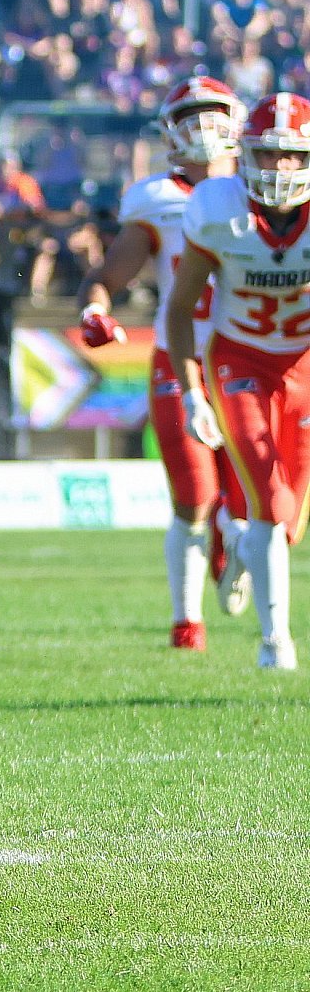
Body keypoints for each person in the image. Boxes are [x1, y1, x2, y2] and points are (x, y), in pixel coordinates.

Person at [78, 77, 250, 651]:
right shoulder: (155, 198)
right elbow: (108, 275)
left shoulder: (262, 188)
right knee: (194, 494)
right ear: (169, 131)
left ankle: (232, 536)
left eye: (213, 112)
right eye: (190, 115)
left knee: (253, 502)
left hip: (251, 357)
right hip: (181, 357)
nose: (203, 126)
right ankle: (186, 622)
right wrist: (96, 310)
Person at [167, 93, 310, 671]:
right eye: (268, 153)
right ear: (245, 154)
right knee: (270, 500)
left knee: (289, 520)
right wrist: (191, 392)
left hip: (304, 364)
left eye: (292, 155)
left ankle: (243, 547)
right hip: (241, 361)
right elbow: (180, 308)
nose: (279, 167)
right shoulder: (217, 207)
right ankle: (276, 643)